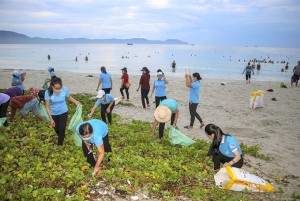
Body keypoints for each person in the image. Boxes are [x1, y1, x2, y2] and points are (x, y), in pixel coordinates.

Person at [45, 77, 80, 146]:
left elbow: (69, 97)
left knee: (62, 129)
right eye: (56, 88)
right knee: (57, 129)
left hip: (63, 111)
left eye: (59, 88)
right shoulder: (48, 92)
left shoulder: (64, 89)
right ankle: (61, 136)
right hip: (53, 113)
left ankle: (59, 145)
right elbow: (47, 106)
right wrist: (51, 119)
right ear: (52, 86)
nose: (58, 90)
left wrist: (76, 102)